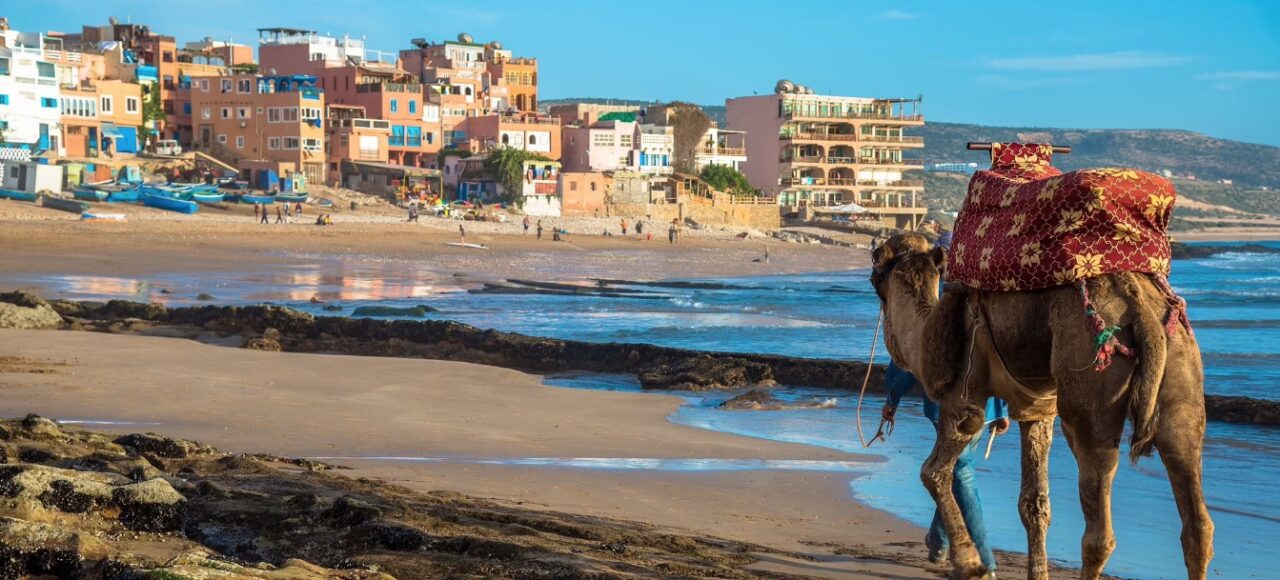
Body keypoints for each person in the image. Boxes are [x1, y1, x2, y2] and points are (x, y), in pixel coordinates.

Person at [882, 361, 1008, 574]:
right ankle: (938, 540)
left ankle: (985, 563)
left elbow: (908, 358)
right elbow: (1000, 355)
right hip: (986, 404)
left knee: (960, 473)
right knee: (957, 470)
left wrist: (893, 398)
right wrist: (1002, 407)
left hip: (948, 405)